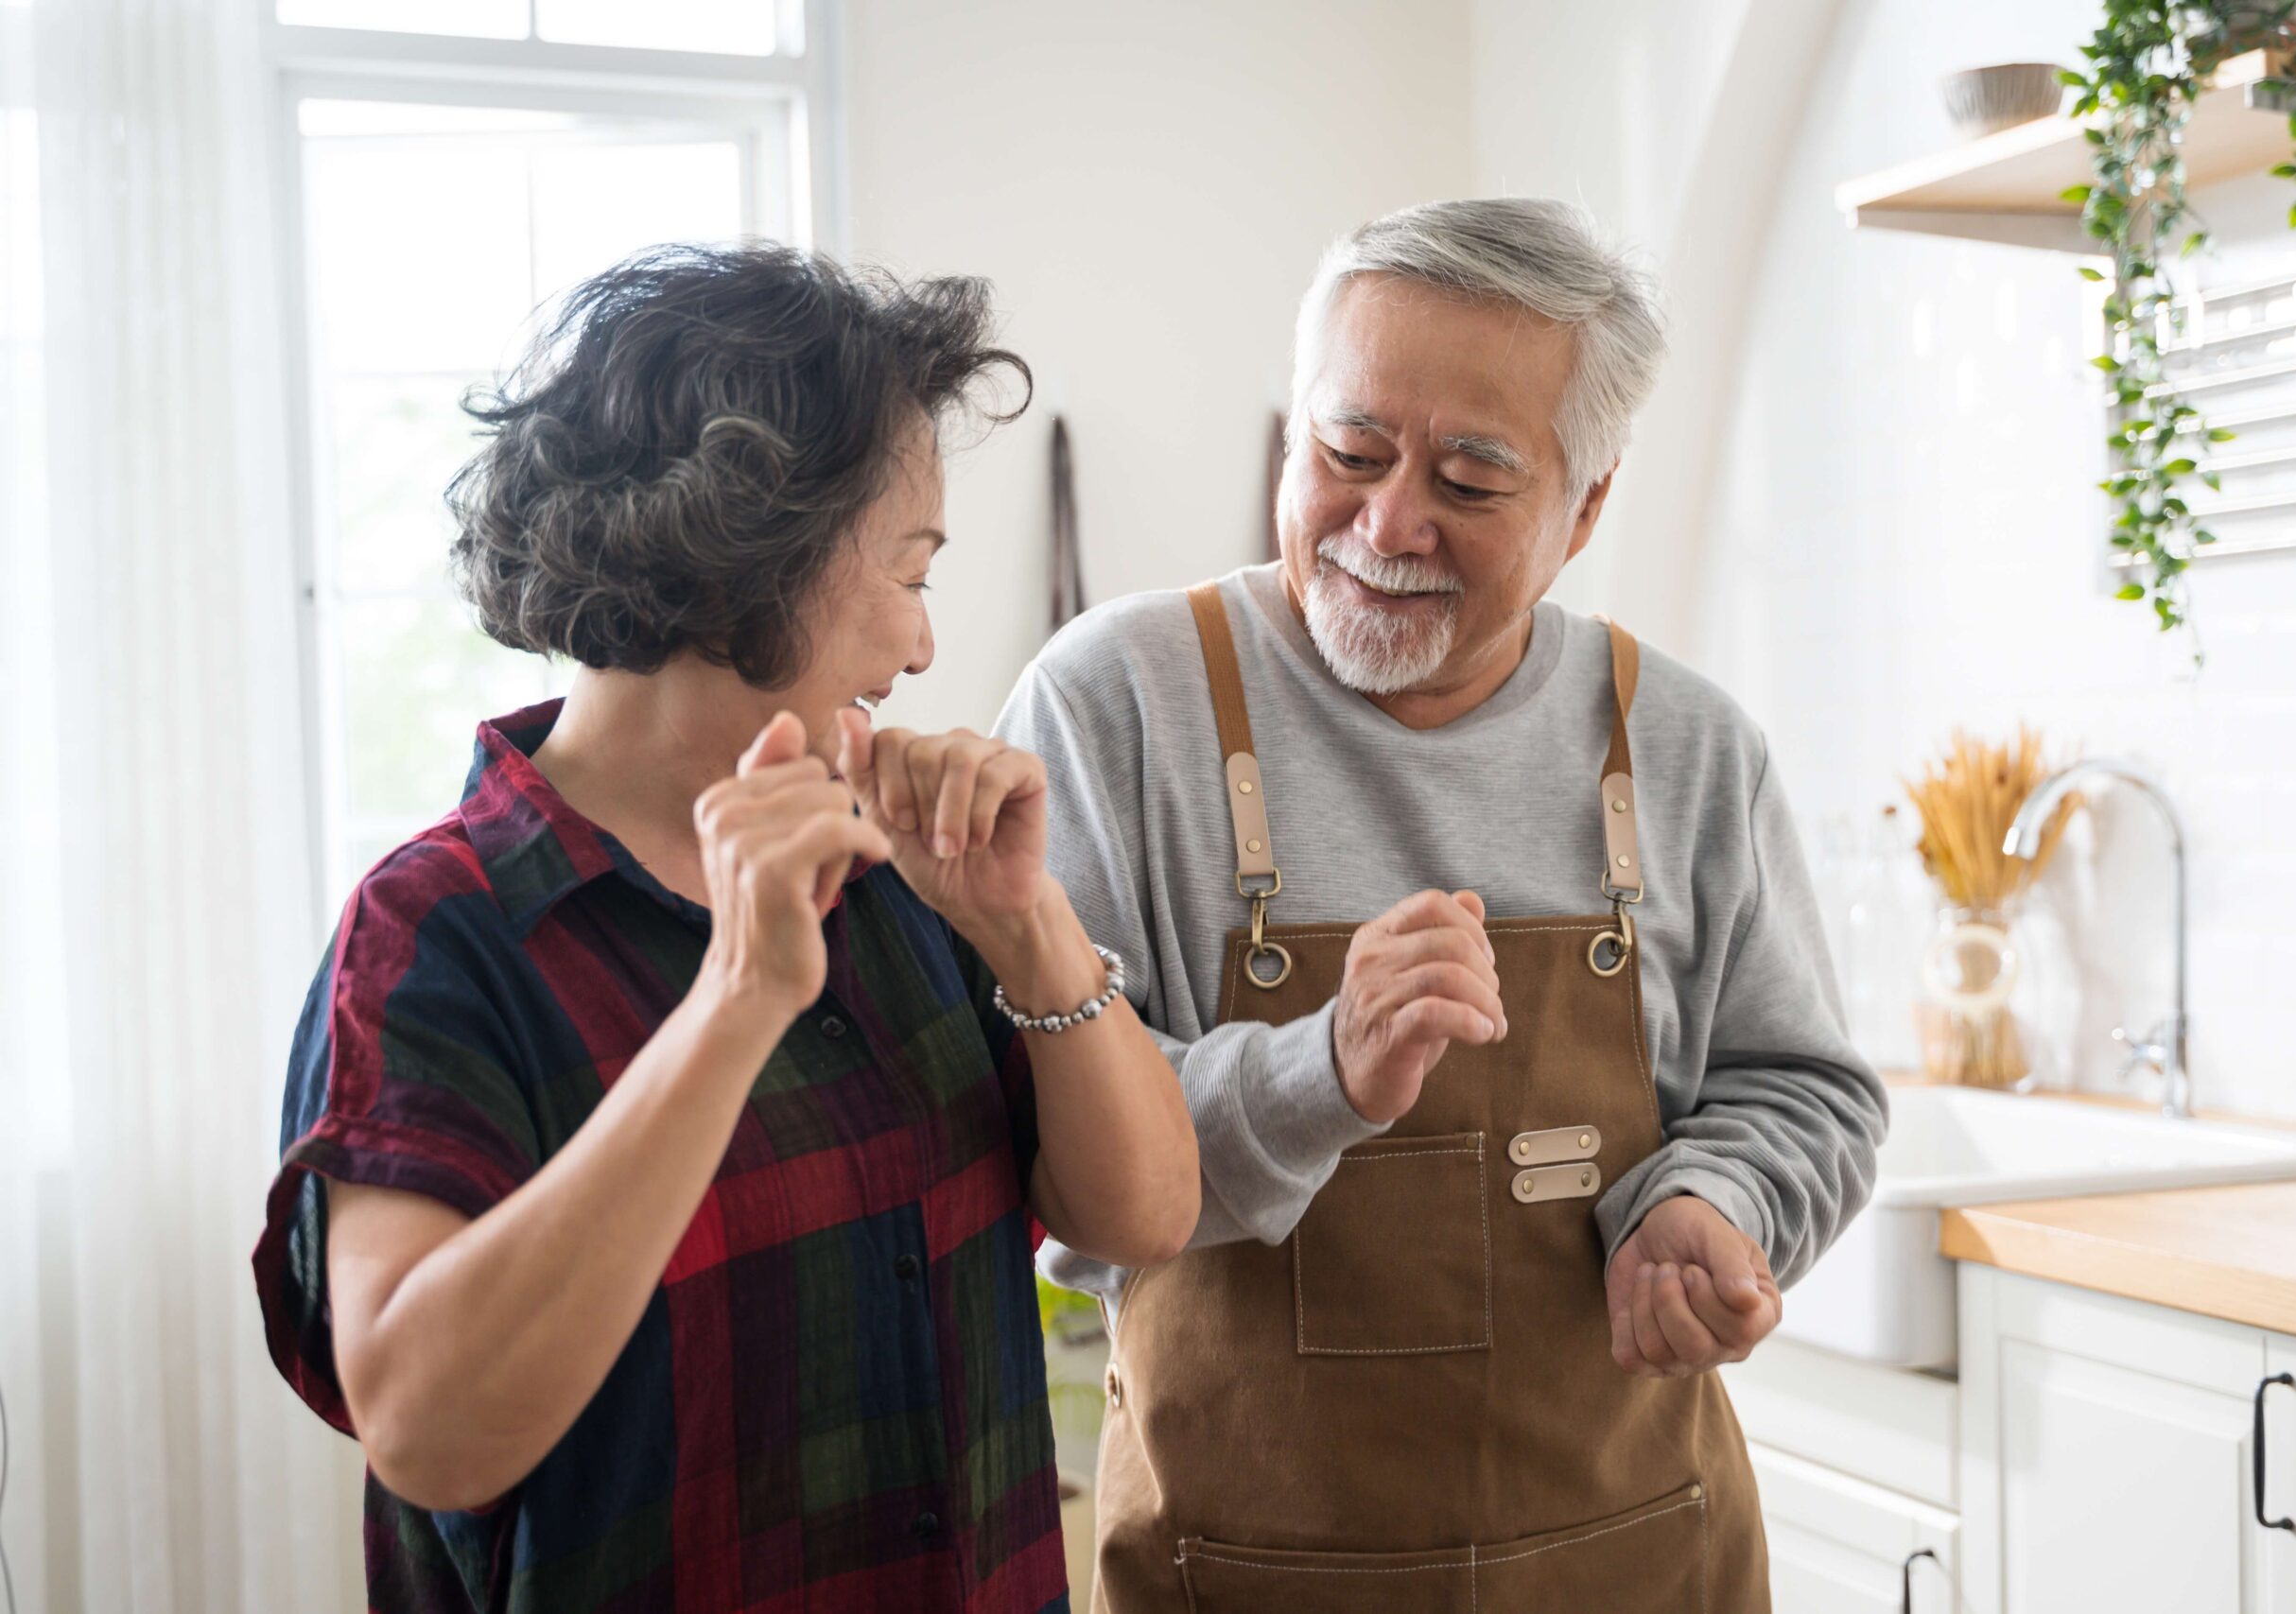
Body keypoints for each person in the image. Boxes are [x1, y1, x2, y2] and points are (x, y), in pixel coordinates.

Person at [252, 243, 1199, 1614]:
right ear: (763, 549)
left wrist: (1027, 924)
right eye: (910, 569)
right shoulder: (436, 936)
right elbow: (426, 1428)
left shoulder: (894, 871)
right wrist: (737, 999)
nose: (925, 648)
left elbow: (1147, 1214)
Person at [994, 199, 1887, 1612]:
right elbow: (1054, 1179)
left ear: (1586, 506)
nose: (1385, 522)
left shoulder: (1687, 746)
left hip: (1636, 1565)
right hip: (1238, 1578)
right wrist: (1317, 1073)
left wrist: (1716, 1203)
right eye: (1349, 453)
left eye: (1471, 483)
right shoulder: (1117, 706)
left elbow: (1808, 1090)